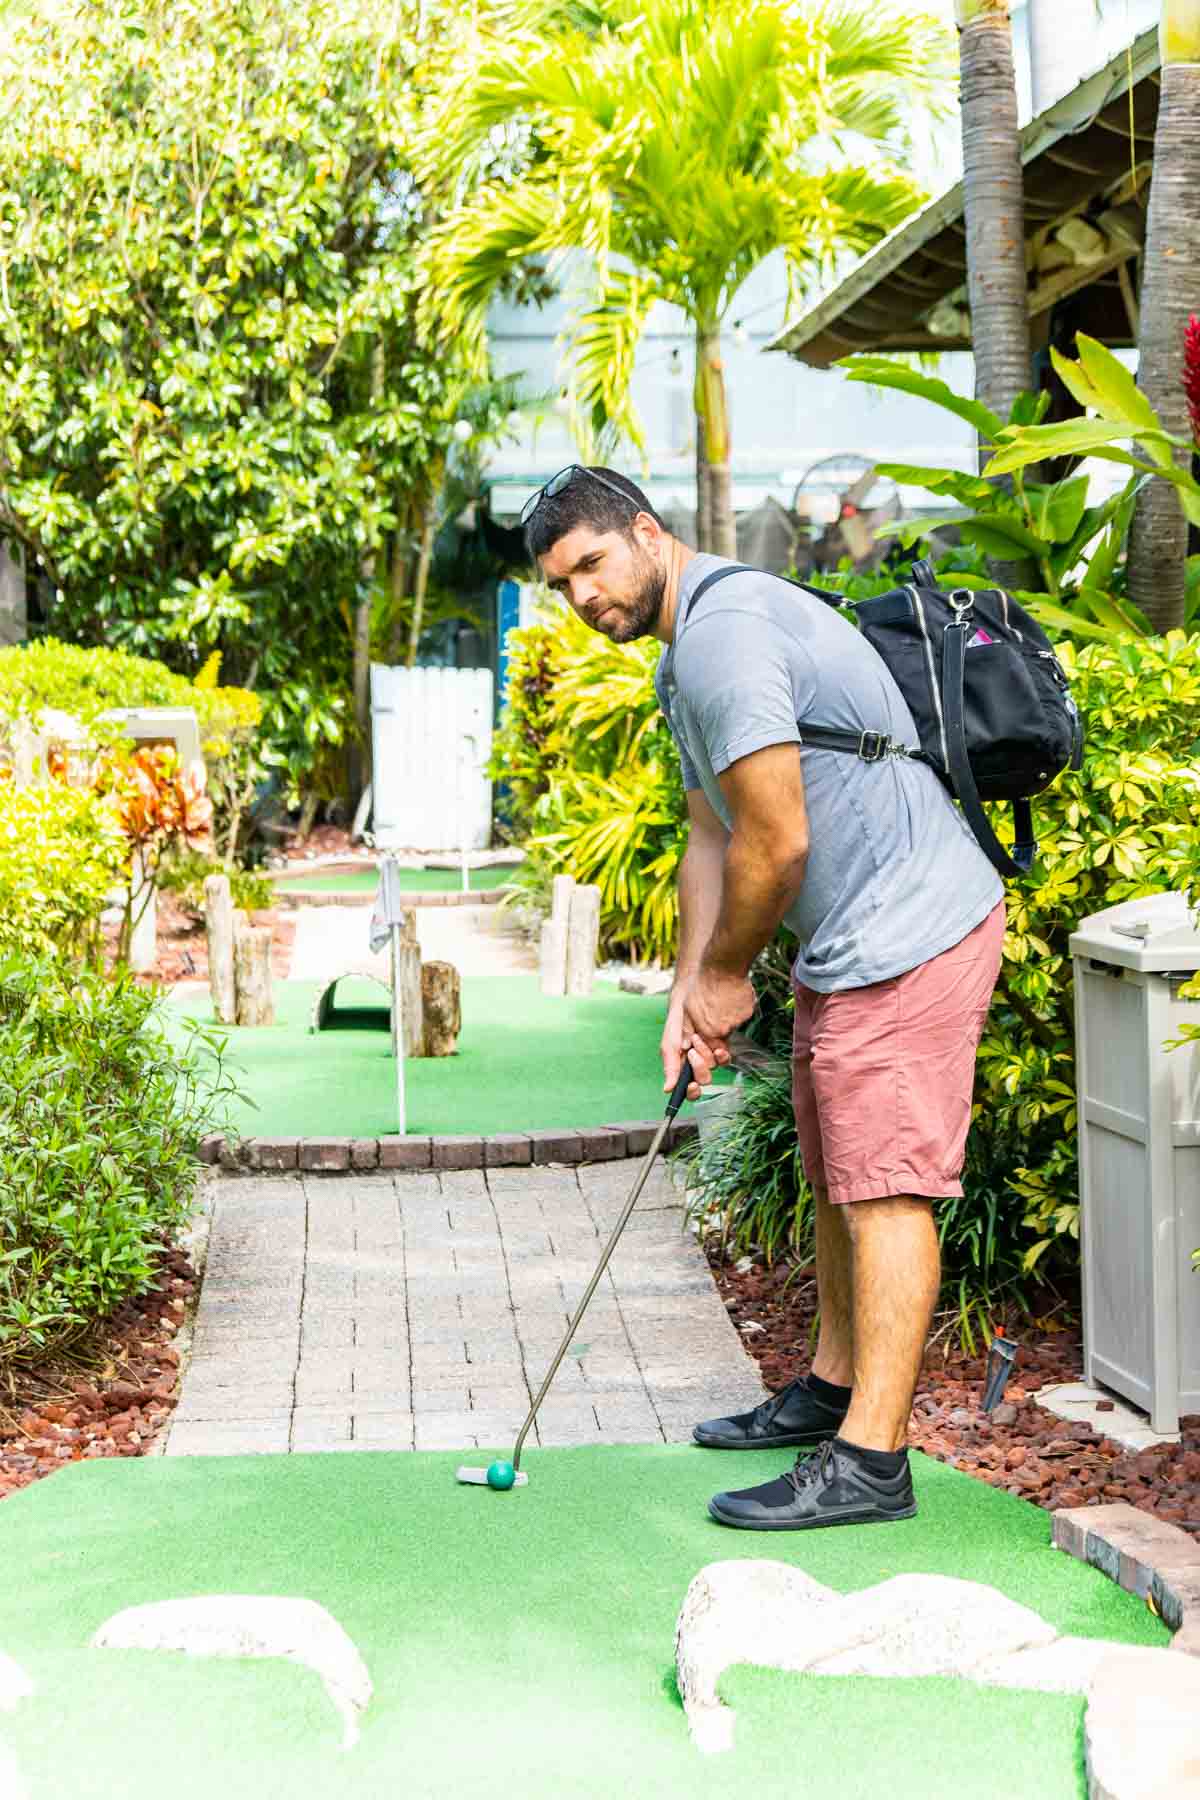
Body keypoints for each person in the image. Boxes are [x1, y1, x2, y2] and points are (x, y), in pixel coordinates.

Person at [523, 464, 1006, 1532]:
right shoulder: (682, 656)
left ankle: (871, 1462)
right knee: (843, 1164)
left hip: (911, 930)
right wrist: (689, 990)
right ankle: (834, 1389)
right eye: (562, 585)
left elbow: (780, 841)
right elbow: (715, 836)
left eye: (594, 564)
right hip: (852, 943)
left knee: (884, 1186)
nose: (584, 597)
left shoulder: (724, 635)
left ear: (647, 533)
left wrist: (733, 975)